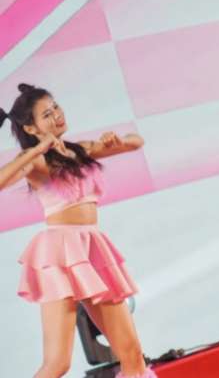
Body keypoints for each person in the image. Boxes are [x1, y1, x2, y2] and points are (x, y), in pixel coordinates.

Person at [0, 83, 156, 378]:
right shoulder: (35, 160)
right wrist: (36, 150)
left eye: (56, 107)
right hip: (58, 253)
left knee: (132, 355)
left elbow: (136, 142)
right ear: (31, 128)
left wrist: (116, 139)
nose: (57, 115)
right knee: (58, 363)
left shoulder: (80, 150)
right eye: (47, 114)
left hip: (92, 247)